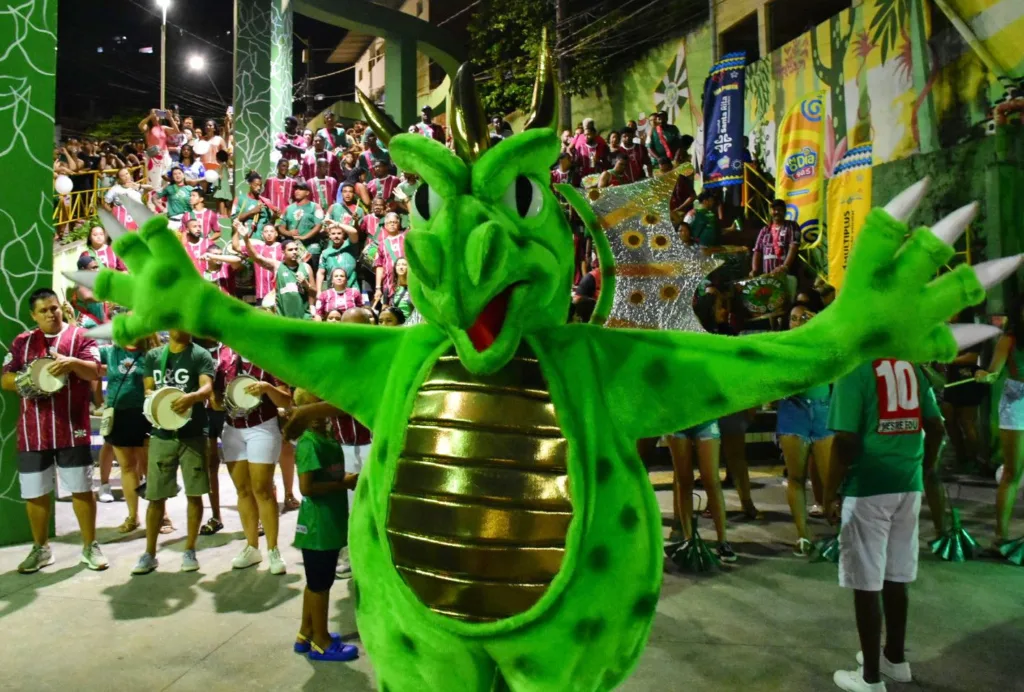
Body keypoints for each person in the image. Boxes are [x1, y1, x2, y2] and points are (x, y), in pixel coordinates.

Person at [825, 358, 944, 692]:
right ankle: (895, 659)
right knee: (896, 575)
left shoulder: (855, 369)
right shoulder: (911, 366)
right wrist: (927, 466)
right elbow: (936, 427)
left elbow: (845, 441)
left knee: (866, 582)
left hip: (868, 485)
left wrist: (828, 491)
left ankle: (870, 678)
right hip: (909, 482)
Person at [1, 288, 107, 573]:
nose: (51, 313)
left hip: (73, 429)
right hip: (33, 431)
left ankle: (90, 546)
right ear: (33, 316)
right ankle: (40, 548)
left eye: (54, 308)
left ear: (61, 308)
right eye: (44, 310)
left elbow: (95, 370)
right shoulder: (22, 343)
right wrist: (29, 378)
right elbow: (6, 378)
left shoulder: (81, 337)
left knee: (82, 489)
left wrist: (72, 363)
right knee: (35, 493)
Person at [132, 330, 215, 575]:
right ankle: (149, 553)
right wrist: (154, 396)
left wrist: (192, 398)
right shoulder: (154, 356)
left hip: (193, 432)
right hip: (161, 434)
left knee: (195, 493)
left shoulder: (200, 354)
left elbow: (207, 387)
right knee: (155, 496)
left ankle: (189, 549)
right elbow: (148, 388)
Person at [291, 389, 360, 662]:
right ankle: (321, 641)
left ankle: (306, 632)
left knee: (317, 583)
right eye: (313, 407)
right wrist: (343, 483)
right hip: (317, 527)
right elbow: (306, 487)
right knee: (320, 585)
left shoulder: (327, 438)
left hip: (329, 523)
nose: (320, 412)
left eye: (322, 403)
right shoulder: (309, 443)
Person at [218, 345, 293, 573]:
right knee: (242, 490)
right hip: (232, 429)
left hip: (262, 427)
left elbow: (286, 401)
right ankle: (252, 547)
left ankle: (273, 550)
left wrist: (267, 387)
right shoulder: (225, 354)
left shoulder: (270, 355)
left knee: (261, 488)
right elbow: (217, 394)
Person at [777, 305, 834, 555]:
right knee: (796, 477)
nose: (798, 322)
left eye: (804, 317)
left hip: (823, 412)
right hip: (793, 412)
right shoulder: (782, 348)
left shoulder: (824, 344)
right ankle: (803, 536)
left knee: (831, 478)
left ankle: (841, 533)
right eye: (793, 318)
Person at [976, 296, 1024, 553]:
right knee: (1013, 471)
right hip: (1017, 402)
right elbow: (994, 372)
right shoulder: (1010, 340)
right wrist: (985, 375)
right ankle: (1000, 536)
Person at [100, 332, 158, 533]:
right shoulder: (110, 352)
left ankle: (161, 516)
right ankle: (133, 517)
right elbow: (86, 356)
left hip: (146, 415)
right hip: (119, 415)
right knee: (127, 467)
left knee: (150, 468)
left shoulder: (153, 353)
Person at [666, 420, 738, 564]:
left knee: (711, 479)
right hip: (676, 420)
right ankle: (688, 539)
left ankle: (723, 541)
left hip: (706, 421)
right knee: (684, 481)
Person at [940, 309, 987, 473]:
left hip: (969, 380)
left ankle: (978, 460)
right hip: (953, 381)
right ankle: (962, 456)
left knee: (967, 422)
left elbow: (972, 358)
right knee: (949, 419)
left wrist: (949, 359)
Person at [249, 238, 315, 319]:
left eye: (296, 249)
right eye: (290, 250)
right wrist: (245, 238)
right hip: (283, 317)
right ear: (283, 252)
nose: (294, 252)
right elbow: (256, 257)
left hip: (304, 317)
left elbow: (315, 292)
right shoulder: (277, 266)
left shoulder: (306, 267)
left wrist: (306, 284)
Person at [279, 181, 325, 274]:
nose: (297, 191)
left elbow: (318, 226)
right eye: (296, 189)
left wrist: (304, 237)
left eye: (300, 189)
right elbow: (280, 227)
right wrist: (289, 233)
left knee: (311, 271)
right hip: (294, 246)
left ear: (307, 192)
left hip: (311, 245)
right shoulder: (288, 208)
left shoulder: (315, 207)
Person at [751, 200, 800, 285]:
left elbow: (793, 247)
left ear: (785, 211)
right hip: (768, 277)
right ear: (770, 211)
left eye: (780, 210)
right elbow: (757, 251)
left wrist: (784, 267)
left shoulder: (792, 226)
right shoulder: (765, 230)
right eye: (774, 210)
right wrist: (754, 270)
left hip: (786, 275)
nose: (777, 212)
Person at [238, 222, 285, 305]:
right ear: (262, 234)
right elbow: (236, 247)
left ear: (276, 233)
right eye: (266, 231)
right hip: (262, 294)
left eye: (271, 231)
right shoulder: (257, 248)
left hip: (280, 294)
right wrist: (235, 230)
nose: (269, 234)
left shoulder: (284, 248)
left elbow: (304, 259)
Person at [138, 108, 179, 191]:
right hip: (154, 156)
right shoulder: (148, 128)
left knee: (167, 179)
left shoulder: (163, 128)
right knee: (155, 182)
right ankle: (152, 198)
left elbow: (176, 131)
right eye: (154, 112)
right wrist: (150, 116)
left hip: (165, 155)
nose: (156, 114)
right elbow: (140, 126)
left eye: (157, 113)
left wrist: (170, 118)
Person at [317, 222, 360, 293]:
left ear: (343, 234)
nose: (336, 236)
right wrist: (318, 291)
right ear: (329, 236)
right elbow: (320, 272)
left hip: (352, 288)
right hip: (333, 291)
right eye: (333, 234)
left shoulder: (351, 245)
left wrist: (337, 224)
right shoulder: (325, 253)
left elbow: (354, 232)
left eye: (339, 233)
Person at [373, 212, 405, 307]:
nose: (392, 224)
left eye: (394, 222)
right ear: (385, 225)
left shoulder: (405, 238)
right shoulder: (382, 244)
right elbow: (379, 267)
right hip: (389, 284)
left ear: (398, 224)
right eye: (389, 222)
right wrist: (378, 288)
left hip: (406, 281)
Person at [233, 171, 277, 237]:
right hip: (244, 239)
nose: (258, 188)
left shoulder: (265, 202)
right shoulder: (240, 199)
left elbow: (269, 224)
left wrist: (274, 217)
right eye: (256, 185)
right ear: (250, 184)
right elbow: (234, 219)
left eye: (260, 185)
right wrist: (252, 212)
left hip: (261, 241)